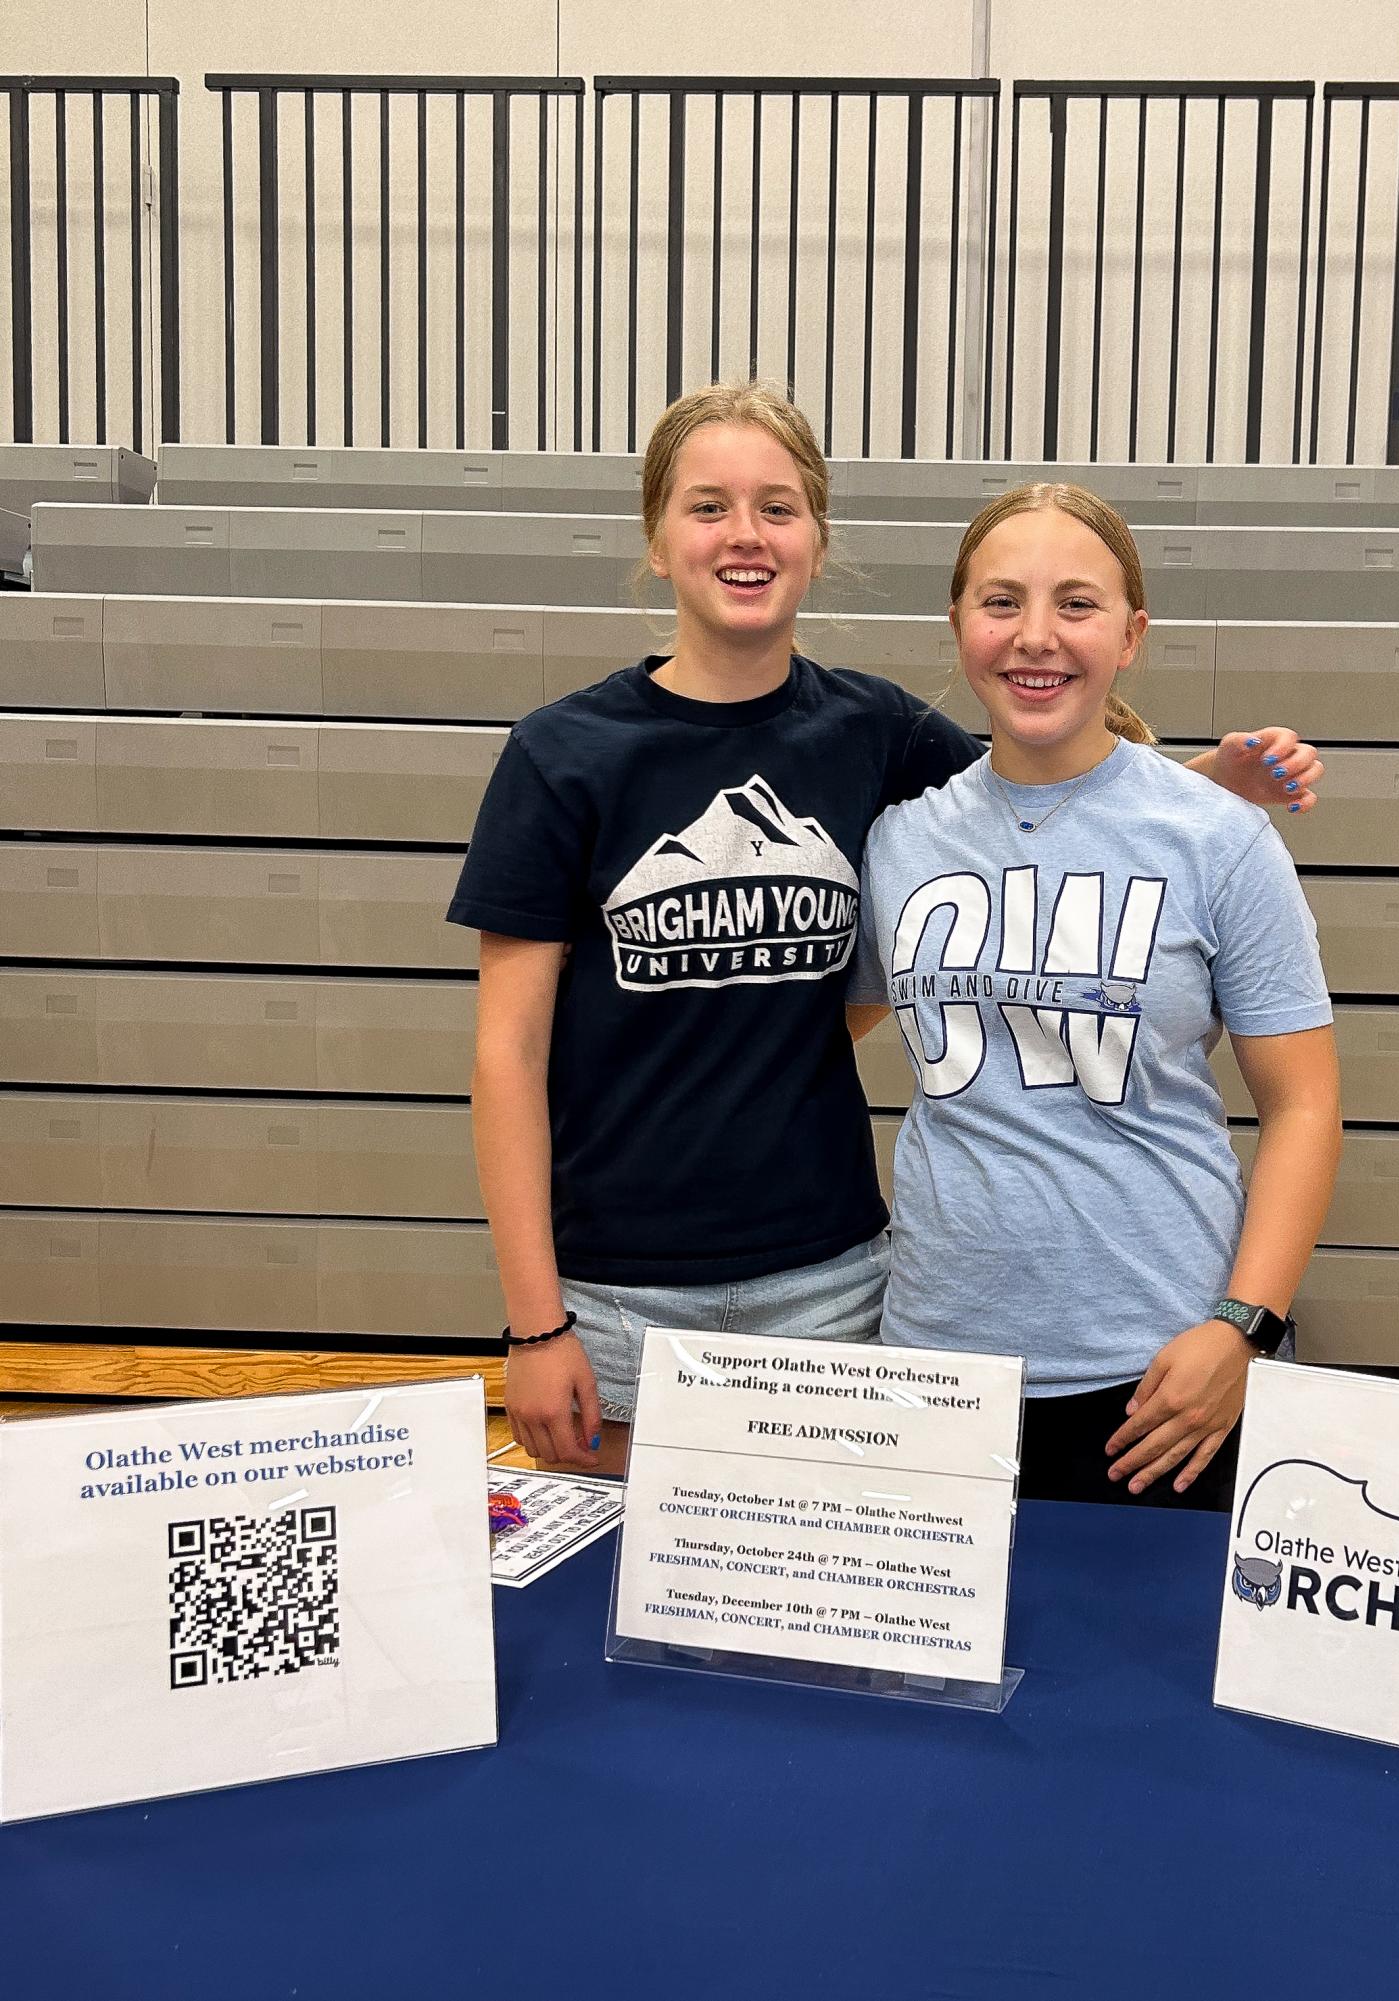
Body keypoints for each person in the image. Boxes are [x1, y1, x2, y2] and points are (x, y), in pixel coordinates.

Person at [446, 382, 1324, 1473]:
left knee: (838, 1609)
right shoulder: (560, 755)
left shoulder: (874, 732)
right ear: (657, 538)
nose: (745, 535)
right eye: (707, 506)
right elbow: (507, 1052)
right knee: (631, 1619)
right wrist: (535, 1321)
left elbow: (1056, 814)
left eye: (777, 506)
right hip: (619, 1278)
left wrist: (1206, 789)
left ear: (817, 536)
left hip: (837, 1281)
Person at [850, 483, 1344, 1506]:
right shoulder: (899, 843)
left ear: (1132, 635)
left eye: (1076, 604)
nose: (1037, 637)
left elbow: (1304, 1106)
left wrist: (1242, 1326)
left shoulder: (1218, 837)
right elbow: (815, 1038)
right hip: (939, 1370)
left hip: (1163, 1376)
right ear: (957, 626)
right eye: (1001, 603)